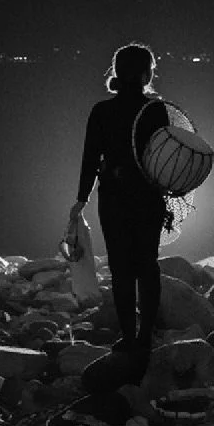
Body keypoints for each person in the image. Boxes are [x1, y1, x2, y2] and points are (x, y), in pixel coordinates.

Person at [70, 43, 171, 374]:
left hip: (113, 197)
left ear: (116, 72)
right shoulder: (156, 111)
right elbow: (166, 158)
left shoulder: (101, 111)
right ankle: (146, 337)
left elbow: (89, 159)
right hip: (147, 196)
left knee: (121, 268)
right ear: (146, 75)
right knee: (147, 265)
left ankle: (128, 337)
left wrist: (81, 199)